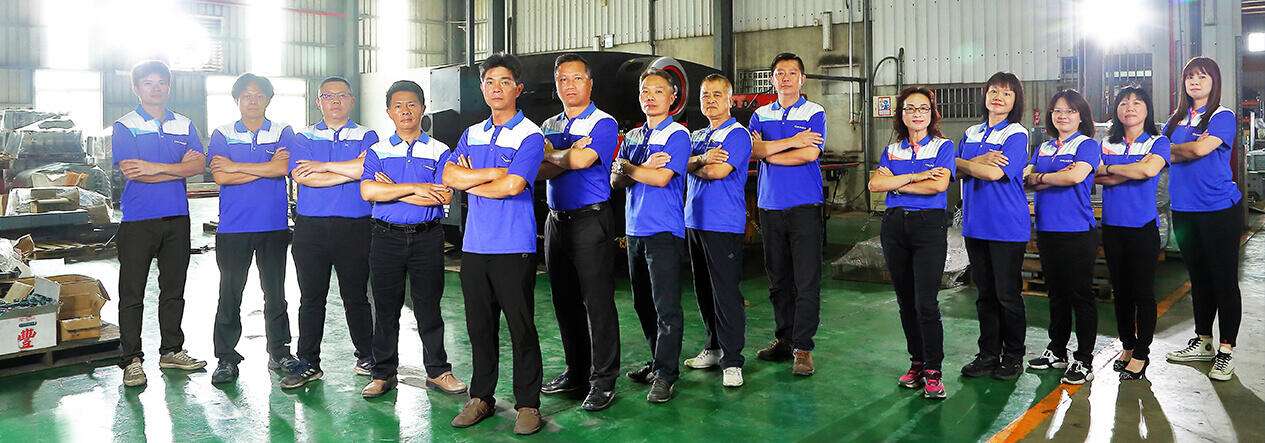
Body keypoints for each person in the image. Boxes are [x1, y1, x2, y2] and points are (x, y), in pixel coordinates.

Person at [443, 53, 547, 435]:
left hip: (514, 246)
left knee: (521, 328)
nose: (496, 88)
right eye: (489, 82)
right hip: (474, 247)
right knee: (479, 328)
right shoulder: (472, 133)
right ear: (482, 88)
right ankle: (481, 398)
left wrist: (472, 181)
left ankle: (528, 404)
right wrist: (490, 174)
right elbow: (449, 175)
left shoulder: (531, 135)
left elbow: (514, 185)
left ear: (518, 88)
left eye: (504, 82)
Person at [355, 80, 467, 399]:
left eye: (411, 105)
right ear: (389, 112)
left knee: (428, 307)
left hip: (427, 237)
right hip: (385, 237)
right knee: (385, 309)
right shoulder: (378, 150)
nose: (405, 111)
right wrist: (417, 188)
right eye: (398, 106)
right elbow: (368, 191)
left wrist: (392, 189)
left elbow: (443, 196)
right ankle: (383, 373)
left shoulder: (439, 150)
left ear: (422, 109)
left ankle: (438, 371)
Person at [111, 60, 208, 387]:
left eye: (161, 83)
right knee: (132, 293)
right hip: (138, 220)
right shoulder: (125, 125)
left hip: (177, 218)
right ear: (136, 88)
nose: (156, 88)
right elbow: (132, 172)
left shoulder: (184, 124)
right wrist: (176, 168)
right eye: (148, 83)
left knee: (174, 290)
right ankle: (131, 360)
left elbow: (198, 166)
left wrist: (153, 167)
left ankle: (171, 351)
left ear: (169, 86)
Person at [280, 76, 379, 389]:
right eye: (328, 96)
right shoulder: (303, 136)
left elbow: (368, 170)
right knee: (311, 298)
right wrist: (349, 170)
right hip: (311, 229)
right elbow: (302, 176)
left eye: (342, 95)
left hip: (356, 226)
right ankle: (308, 362)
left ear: (351, 101)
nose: (335, 100)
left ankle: (368, 357)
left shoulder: (367, 134)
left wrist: (322, 166)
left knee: (357, 297)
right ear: (318, 102)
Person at [537, 53, 622, 412]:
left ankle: (603, 381)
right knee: (564, 300)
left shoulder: (604, 122)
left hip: (591, 220)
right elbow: (538, 169)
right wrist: (566, 154)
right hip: (556, 221)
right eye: (562, 79)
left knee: (597, 302)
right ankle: (576, 371)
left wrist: (556, 154)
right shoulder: (549, 123)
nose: (568, 85)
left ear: (589, 83)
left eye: (576, 78)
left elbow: (584, 160)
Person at [207, 73, 298, 384]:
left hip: (273, 225)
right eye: (246, 95)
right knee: (229, 293)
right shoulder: (222, 133)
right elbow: (221, 177)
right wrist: (265, 168)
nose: (253, 100)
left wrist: (237, 166)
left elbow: (283, 168)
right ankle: (226, 357)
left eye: (259, 95)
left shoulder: (283, 131)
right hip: (233, 227)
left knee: (275, 293)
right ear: (237, 100)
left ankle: (280, 352)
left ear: (268, 99)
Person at [866, 86, 954, 399]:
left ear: (932, 114)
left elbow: (939, 186)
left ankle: (933, 370)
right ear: (901, 115)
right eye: (910, 109)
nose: (917, 114)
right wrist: (916, 177)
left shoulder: (943, 146)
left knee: (925, 303)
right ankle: (917, 362)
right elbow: (875, 184)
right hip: (894, 226)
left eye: (923, 108)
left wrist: (896, 183)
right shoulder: (893, 150)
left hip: (928, 227)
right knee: (905, 301)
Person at [611, 68, 691, 403]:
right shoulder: (632, 136)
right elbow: (615, 180)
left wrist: (630, 168)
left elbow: (661, 179)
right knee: (642, 303)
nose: (650, 97)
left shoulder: (678, 135)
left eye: (658, 91)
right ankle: (657, 361)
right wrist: (639, 167)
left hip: (663, 231)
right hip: (634, 230)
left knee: (666, 306)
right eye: (645, 91)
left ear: (672, 97)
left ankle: (666, 375)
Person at [1162, 57, 1243, 381]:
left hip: (1218, 209)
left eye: (1202, 76)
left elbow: (1197, 151)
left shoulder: (1222, 116)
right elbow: (1160, 153)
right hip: (1184, 209)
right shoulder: (1176, 119)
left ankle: (1226, 349)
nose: (1194, 82)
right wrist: (1189, 146)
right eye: (1189, 77)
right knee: (1198, 277)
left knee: (1223, 280)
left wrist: (1179, 149)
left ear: (1214, 82)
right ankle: (1203, 341)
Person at [748, 53, 828, 376]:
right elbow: (753, 150)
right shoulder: (760, 114)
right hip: (770, 206)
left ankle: (803, 348)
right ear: (772, 79)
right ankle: (784, 340)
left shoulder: (814, 112)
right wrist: (792, 141)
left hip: (805, 206)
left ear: (802, 79)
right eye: (779, 73)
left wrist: (770, 151)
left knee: (806, 281)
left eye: (792, 73)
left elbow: (809, 154)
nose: (785, 78)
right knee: (778, 279)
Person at [955, 72, 1030, 381]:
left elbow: (995, 174)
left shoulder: (1016, 133)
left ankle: (1013, 356)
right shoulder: (972, 132)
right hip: (975, 225)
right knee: (985, 294)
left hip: (1006, 226)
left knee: (1007, 295)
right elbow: (951, 170)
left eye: (1007, 93)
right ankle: (988, 353)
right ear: (985, 95)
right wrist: (978, 160)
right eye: (994, 91)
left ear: (1015, 101)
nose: (999, 97)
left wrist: (963, 162)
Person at [1023, 89, 1100, 385]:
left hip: (1077, 231)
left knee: (1080, 296)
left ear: (1081, 116)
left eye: (1070, 111)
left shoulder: (1087, 145)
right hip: (1047, 229)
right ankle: (1057, 350)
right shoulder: (1043, 148)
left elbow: (1075, 177)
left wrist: (1043, 177)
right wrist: (1053, 177)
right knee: (1056, 294)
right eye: (1057, 110)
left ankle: (1084, 359)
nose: (1062, 115)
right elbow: (1026, 179)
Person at [682, 74, 752, 388]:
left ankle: (732, 360)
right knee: (703, 290)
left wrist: (695, 164)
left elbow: (717, 171)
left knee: (726, 293)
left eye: (717, 95)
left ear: (729, 100)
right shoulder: (697, 135)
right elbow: (680, 164)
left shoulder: (738, 134)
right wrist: (699, 161)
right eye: (705, 95)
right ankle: (712, 347)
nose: (710, 100)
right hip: (694, 221)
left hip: (723, 223)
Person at [1095, 86, 1169, 380]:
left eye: (1137, 103)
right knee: (1121, 292)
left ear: (1147, 109)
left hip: (1142, 227)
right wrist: (1132, 168)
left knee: (1143, 293)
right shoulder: (1106, 142)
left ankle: (1141, 354)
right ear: (1116, 110)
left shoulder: (1158, 141)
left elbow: (1148, 172)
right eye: (1124, 103)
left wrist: (1112, 169)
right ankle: (1127, 346)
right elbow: (1096, 176)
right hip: (1113, 227)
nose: (1130, 107)